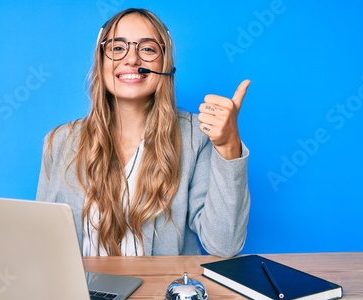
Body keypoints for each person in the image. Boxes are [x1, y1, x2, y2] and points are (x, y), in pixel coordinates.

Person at [36, 8, 250, 258]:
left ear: (166, 64)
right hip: (81, 295)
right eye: (117, 48)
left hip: (158, 294)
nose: (131, 59)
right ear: (101, 61)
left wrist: (228, 148)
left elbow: (224, 245)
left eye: (147, 49)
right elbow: (43, 242)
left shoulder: (196, 137)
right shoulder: (59, 141)